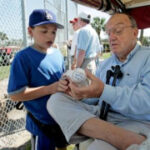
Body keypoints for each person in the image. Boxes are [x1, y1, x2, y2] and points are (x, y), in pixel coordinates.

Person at [47, 13, 150, 150]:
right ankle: (124, 139)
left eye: (118, 31)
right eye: (108, 33)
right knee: (56, 100)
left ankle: (99, 133)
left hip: (134, 121)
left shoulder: (147, 57)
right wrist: (78, 93)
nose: (112, 37)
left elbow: (146, 101)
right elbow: (94, 98)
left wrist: (103, 91)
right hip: (101, 115)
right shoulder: (105, 64)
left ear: (135, 32)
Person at [7, 9, 68, 150]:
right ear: (30, 31)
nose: (50, 36)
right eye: (44, 31)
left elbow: (61, 80)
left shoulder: (57, 54)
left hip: (60, 117)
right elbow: (15, 94)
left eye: (53, 32)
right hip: (41, 123)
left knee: (62, 145)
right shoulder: (23, 58)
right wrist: (50, 88)